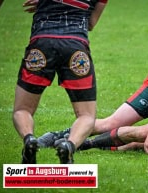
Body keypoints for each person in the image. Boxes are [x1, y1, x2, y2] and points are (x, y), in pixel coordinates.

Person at [13, 0, 108, 164]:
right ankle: (68, 146)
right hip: (75, 46)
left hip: (41, 43)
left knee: (22, 109)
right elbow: (91, 24)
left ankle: (29, 140)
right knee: (86, 115)